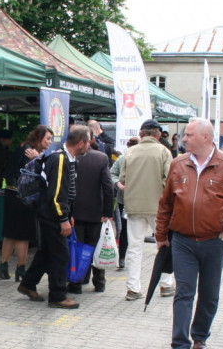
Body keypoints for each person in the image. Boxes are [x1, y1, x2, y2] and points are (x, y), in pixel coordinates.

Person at [155, 118, 223, 349]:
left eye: (188, 135)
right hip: (182, 241)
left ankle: (200, 336)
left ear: (206, 138)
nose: (183, 139)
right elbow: (166, 203)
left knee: (209, 295)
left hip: (214, 242)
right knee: (184, 293)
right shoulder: (178, 164)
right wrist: (160, 236)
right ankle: (179, 346)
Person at [17, 124, 91, 309]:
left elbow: (67, 192)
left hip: (52, 214)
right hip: (51, 215)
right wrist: (63, 218)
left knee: (47, 252)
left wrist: (69, 214)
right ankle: (57, 296)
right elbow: (56, 193)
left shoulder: (67, 158)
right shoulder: (60, 159)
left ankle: (28, 284)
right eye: (89, 142)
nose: (90, 145)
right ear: (81, 143)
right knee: (60, 255)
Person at [119, 119, 173, 300]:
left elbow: (123, 178)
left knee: (134, 247)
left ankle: (133, 288)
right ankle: (165, 284)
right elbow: (169, 180)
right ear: (158, 135)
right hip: (159, 206)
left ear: (141, 134)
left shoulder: (130, 152)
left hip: (134, 206)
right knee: (164, 245)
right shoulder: (164, 152)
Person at [0, 125, 53, 281]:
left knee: (10, 233)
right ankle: (20, 269)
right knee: (23, 234)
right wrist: (38, 158)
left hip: (11, 193)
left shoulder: (22, 148)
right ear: (39, 137)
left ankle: (3, 266)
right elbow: (40, 175)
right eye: (48, 138)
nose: (50, 142)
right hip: (23, 197)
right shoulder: (30, 152)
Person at [68, 129, 115, 294]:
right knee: (96, 247)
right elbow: (108, 187)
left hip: (75, 212)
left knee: (78, 248)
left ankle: (76, 283)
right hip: (95, 212)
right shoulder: (101, 158)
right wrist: (108, 212)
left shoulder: (70, 157)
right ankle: (99, 282)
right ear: (91, 139)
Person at [109, 137, 139, 270]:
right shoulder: (122, 159)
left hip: (137, 199)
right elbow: (112, 173)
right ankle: (122, 257)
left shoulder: (142, 160)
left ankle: (126, 257)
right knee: (126, 229)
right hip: (125, 200)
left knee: (130, 230)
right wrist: (119, 184)